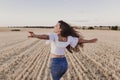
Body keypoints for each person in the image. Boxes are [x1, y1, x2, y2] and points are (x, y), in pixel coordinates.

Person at [28, 20, 98, 80]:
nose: (54, 26)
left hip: (55, 63)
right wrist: (90, 41)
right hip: (64, 64)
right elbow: (79, 40)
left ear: (60, 29)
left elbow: (45, 36)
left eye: (56, 26)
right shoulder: (69, 38)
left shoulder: (54, 36)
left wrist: (35, 35)